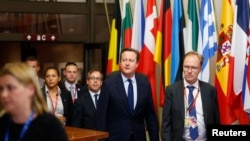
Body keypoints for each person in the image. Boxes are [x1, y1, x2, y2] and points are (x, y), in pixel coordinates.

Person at [97, 48, 159, 141]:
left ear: (137, 64)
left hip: (138, 137)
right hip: (115, 138)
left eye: (131, 60)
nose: (127, 63)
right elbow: (101, 116)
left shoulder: (144, 82)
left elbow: (150, 115)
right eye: (124, 60)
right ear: (120, 63)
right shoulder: (109, 83)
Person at [0, 62, 68, 141]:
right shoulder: (2, 122)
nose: (4, 95)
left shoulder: (50, 126)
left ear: (30, 89)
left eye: (11, 88)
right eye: (1, 89)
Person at [161, 51, 220, 141]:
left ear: (200, 69)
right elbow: (166, 124)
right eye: (186, 67)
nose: (189, 71)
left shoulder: (210, 90)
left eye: (193, 68)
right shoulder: (171, 91)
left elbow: (216, 120)